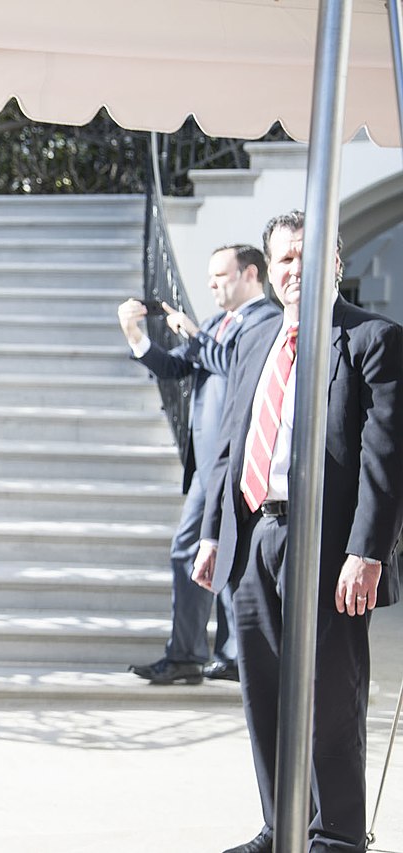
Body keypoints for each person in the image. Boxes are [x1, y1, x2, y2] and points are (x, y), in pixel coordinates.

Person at [193, 210, 403, 853]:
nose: (295, 270)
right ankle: (279, 824)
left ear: (335, 263)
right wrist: (211, 534)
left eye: (308, 257)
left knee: (331, 696)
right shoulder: (254, 341)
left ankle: (335, 835)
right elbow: (229, 447)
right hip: (255, 536)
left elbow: (385, 457)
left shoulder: (374, 340)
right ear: (271, 267)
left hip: (329, 546)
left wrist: (366, 552)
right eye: (284, 258)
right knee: (263, 691)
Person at [118, 245, 280, 685]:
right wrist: (135, 335)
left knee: (208, 553)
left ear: (250, 274)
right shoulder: (215, 324)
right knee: (197, 552)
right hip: (209, 467)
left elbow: (234, 365)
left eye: (219, 275)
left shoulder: (267, 321)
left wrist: (192, 331)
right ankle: (199, 656)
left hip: (237, 464)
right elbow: (174, 368)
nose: (210, 284)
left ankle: (213, 655)